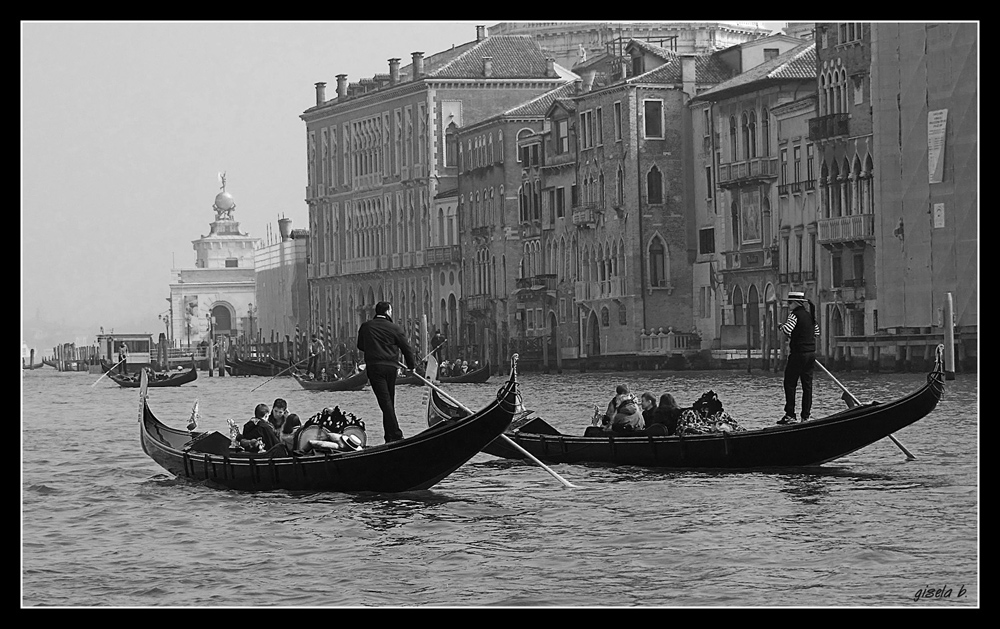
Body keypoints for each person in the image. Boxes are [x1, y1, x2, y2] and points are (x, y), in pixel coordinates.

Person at [357, 301, 416, 443]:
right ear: (388, 312)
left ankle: (394, 435)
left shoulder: (366, 326)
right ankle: (391, 436)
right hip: (391, 367)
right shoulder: (395, 328)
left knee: (385, 402)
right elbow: (406, 348)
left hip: (375, 367)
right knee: (388, 402)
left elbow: (360, 346)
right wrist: (411, 367)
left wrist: (374, 349)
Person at [777, 291, 821, 424]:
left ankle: (790, 415)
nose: (788, 305)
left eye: (789, 302)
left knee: (790, 383)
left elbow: (787, 330)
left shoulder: (794, 315)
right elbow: (816, 333)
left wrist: (781, 326)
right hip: (810, 354)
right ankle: (805, 416)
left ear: (796, 303)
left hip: (798, 354)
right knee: (807, 386)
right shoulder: (810, 315)